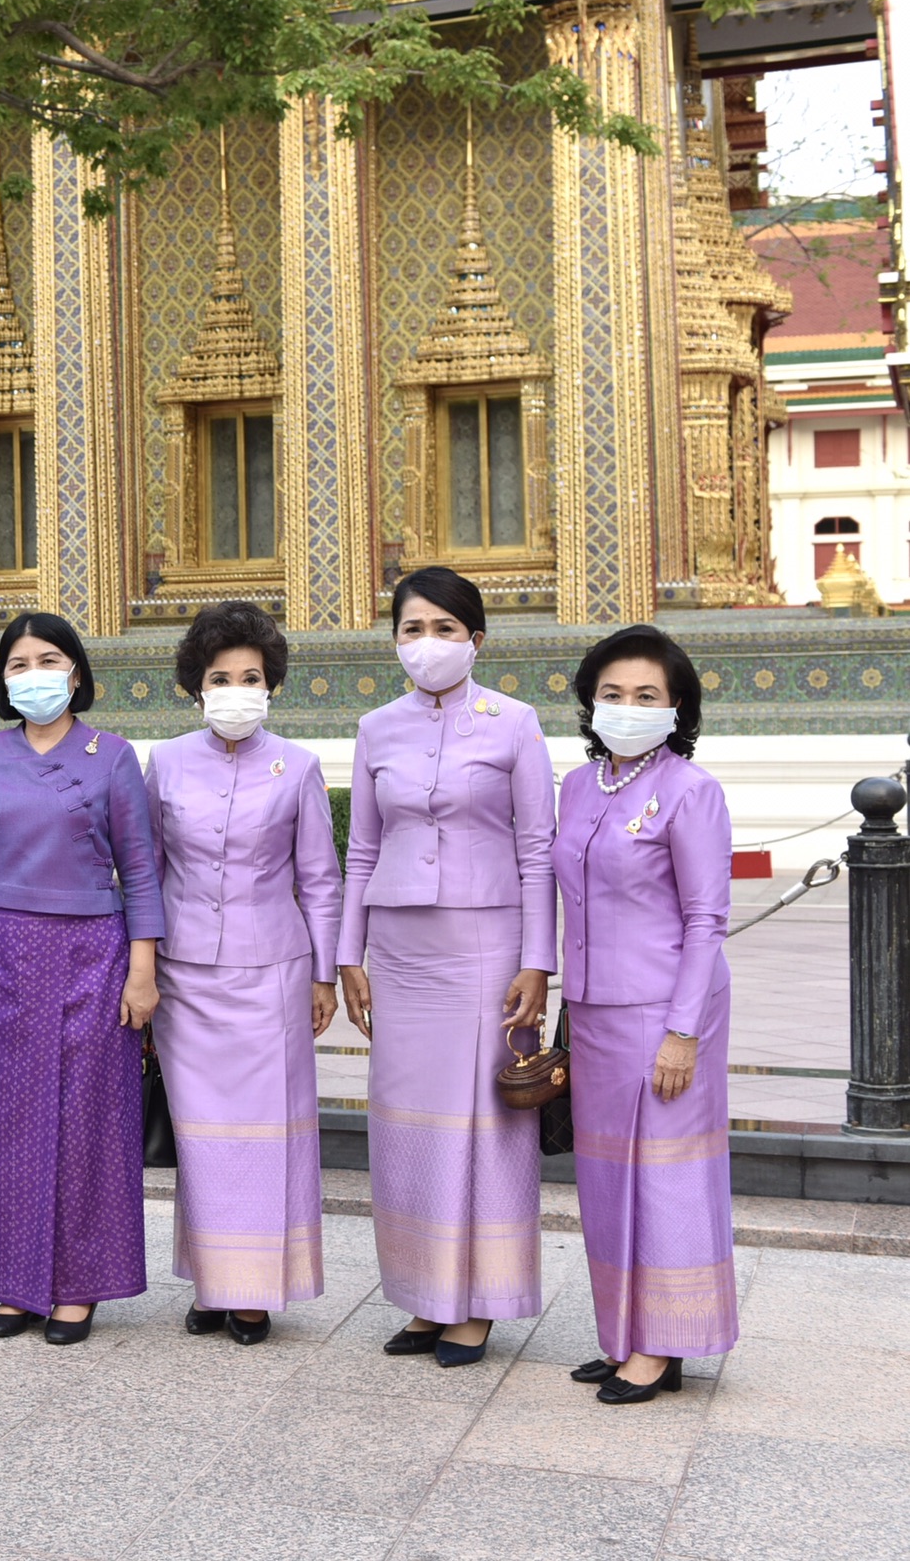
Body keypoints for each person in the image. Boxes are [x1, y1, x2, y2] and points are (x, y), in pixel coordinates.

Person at [339, 565, 555, 1365]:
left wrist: (538, 962)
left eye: (444, 629)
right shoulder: (376, 728)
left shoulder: (515, 723)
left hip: (484, 946)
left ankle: (479, 1303)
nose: (426, 643)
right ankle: (425, 1297)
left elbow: (537, 850)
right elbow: (361, 849)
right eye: (411, 629)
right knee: (406, 1121)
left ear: (476, 639)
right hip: (400, 949)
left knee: (483, 1123)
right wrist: (347, 954)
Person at [0, 612, 162, 1344]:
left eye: (49, 660)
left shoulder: (112, 756)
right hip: (3, 954)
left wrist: (143, 970)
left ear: (76, 672)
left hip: (95, 954)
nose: (35, 675)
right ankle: (18, 1285)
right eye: (19, 664)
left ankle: (78, 1287)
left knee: (90, 1122)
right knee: (11, 1122)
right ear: (3, 680)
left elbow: (141, 870)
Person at [141, 601, 341, 1345]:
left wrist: (324, 974)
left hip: (273, 976)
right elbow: (146, 871)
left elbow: (321, 879)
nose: (235, 690)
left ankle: (254, 1290)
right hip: (184, 978)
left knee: (264, 1134)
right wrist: (141, 967)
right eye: (220, 678)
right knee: (202, 1137)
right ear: (198, 686)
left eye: (250, 677)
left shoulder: (300, 766)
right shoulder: (165, 763)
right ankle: (212, 1280)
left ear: (270, 684)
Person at [556, 625, 736, 1404]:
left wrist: (682, 1033)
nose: (627, 707)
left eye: (646, 696)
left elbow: (706, 919)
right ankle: (625, 1333)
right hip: (594, 1011)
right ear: (590, 701)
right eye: (613, 694)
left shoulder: (692, 791)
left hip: (668, 1009)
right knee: (606, 1177)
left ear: (677, 707)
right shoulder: (576, 785)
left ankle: (666, 1342)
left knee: (667, 1178)